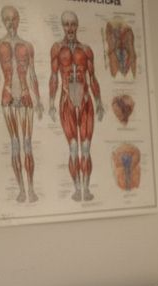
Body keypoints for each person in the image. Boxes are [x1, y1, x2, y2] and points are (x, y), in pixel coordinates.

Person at [49, 11, 104, 202]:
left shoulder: (86, 50)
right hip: (67, 102)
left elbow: (93, 77)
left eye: (73, 24)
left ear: (77, 25)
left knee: (86, 148)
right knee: (73, 148)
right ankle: (76, 189)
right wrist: (50, 102)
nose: (70, 28)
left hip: (85, 100)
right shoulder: (57, 49)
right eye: (66, 24)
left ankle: (86, 189)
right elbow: (54, 77)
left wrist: (99, 101)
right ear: (62, 26)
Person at [0, 5, 42, 203]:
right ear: (3, 22)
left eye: (13, 19)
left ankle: (31, 189)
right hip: (7, 96)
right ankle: (21, 189)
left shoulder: (27, 46)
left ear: (18, 20)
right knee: (15, 145)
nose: (10, 23)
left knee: (27, 145)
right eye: (7, 20)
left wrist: (38, 100)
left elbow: (33, 75)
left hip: (26, 96)